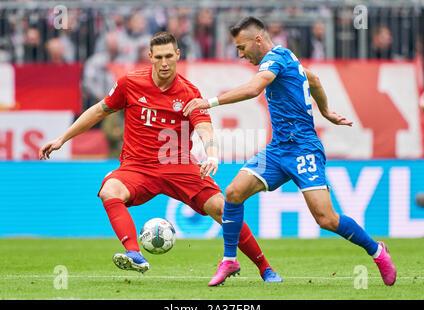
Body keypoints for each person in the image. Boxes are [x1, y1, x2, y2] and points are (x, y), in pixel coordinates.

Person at [39, 31, 282, 283]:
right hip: (137, 167)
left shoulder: (189, 92)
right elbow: (99, 111)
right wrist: (62, 139)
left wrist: (211, 154)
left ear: (178, 55)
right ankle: (134, 253)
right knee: (109, 190)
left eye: (169, 56)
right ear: (150, 57)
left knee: (223, 209)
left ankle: (266, 269)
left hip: (178, 165)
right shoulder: (129, 84)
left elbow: (204, 128)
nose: (164, 62)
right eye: (159, 57)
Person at [183, 16, 397, 287]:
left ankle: (377, 251)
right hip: (277, 150)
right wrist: (326, 111)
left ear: (257, 40)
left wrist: (209, 102)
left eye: (241, 47)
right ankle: (229, 259)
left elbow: (253, 89)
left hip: (303, 149)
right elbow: (315, 79)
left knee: (326, 219)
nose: (240, 54)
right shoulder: (288, 58)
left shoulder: (275, 58)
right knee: (234, 192)